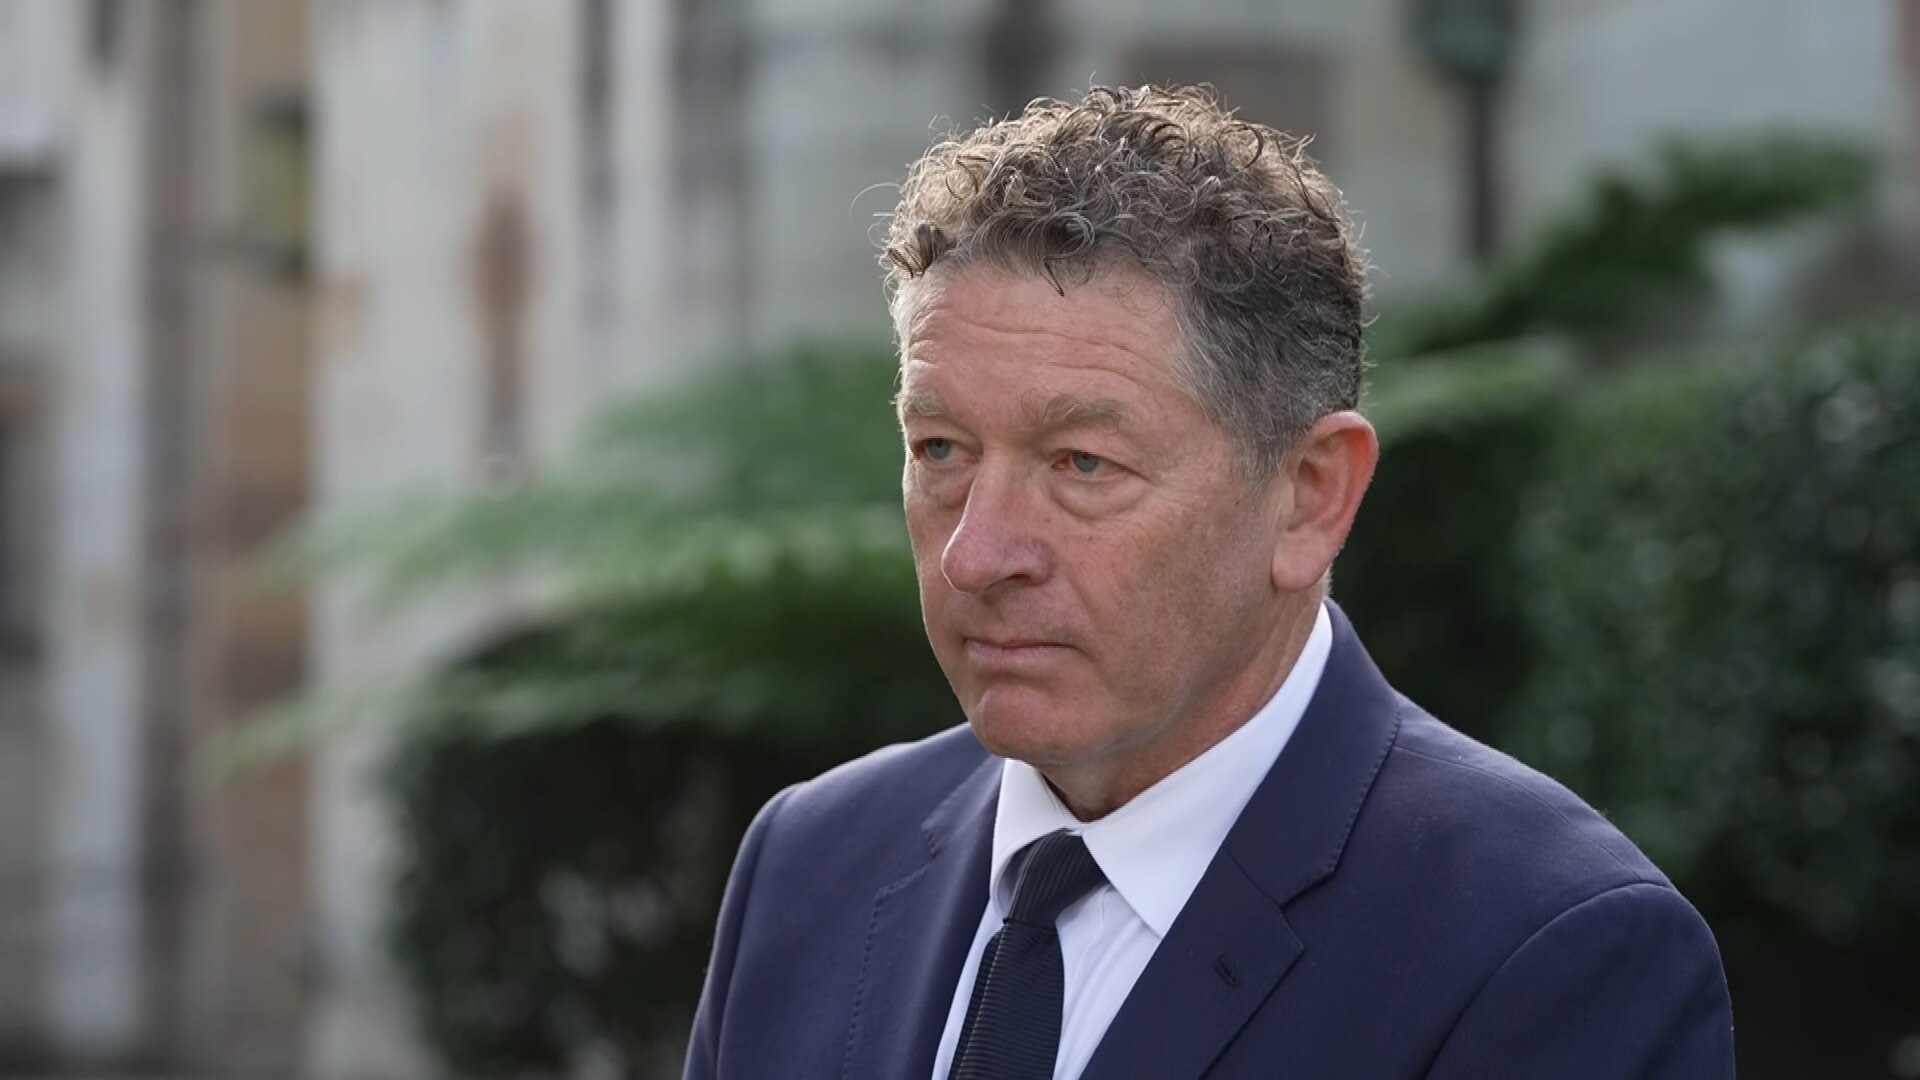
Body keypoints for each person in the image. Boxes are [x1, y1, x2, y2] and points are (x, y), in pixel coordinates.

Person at [685, 85, 1735, 1079]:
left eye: (1082, 464)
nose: (977, 552)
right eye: (942, 450)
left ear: (1311, 497)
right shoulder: (809, 864)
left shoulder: (1551, 951)